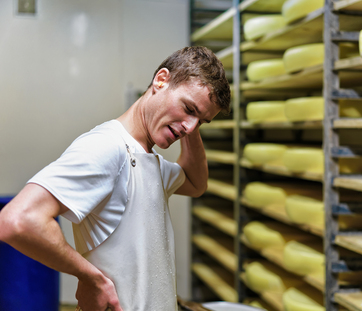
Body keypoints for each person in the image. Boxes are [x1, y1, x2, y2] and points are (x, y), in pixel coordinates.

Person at [0, 46, 231, 311]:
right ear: (161, 80)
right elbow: (18, 220)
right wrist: (91, 279)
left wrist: (191, 120)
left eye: (201, 121)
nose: (190, 128)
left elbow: (196, 182)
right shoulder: (108, 147)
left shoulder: (148, 158)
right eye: (188, 108)